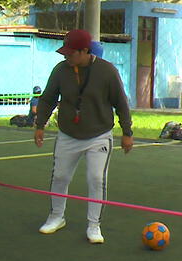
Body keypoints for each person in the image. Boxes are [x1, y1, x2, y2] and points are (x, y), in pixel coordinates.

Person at [34, 29, 133, 244]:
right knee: (60, 176)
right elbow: (48, 98)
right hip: (68, 134)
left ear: (85, 51)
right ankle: (56, 217)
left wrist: (127, 132)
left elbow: (121, 103)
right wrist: (40, 124)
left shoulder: (107, 71)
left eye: (70, 53)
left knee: (96, 179)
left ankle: (94, 225)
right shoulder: (60, 70)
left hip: (99, 135)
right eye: (65, 53)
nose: (66, 57)